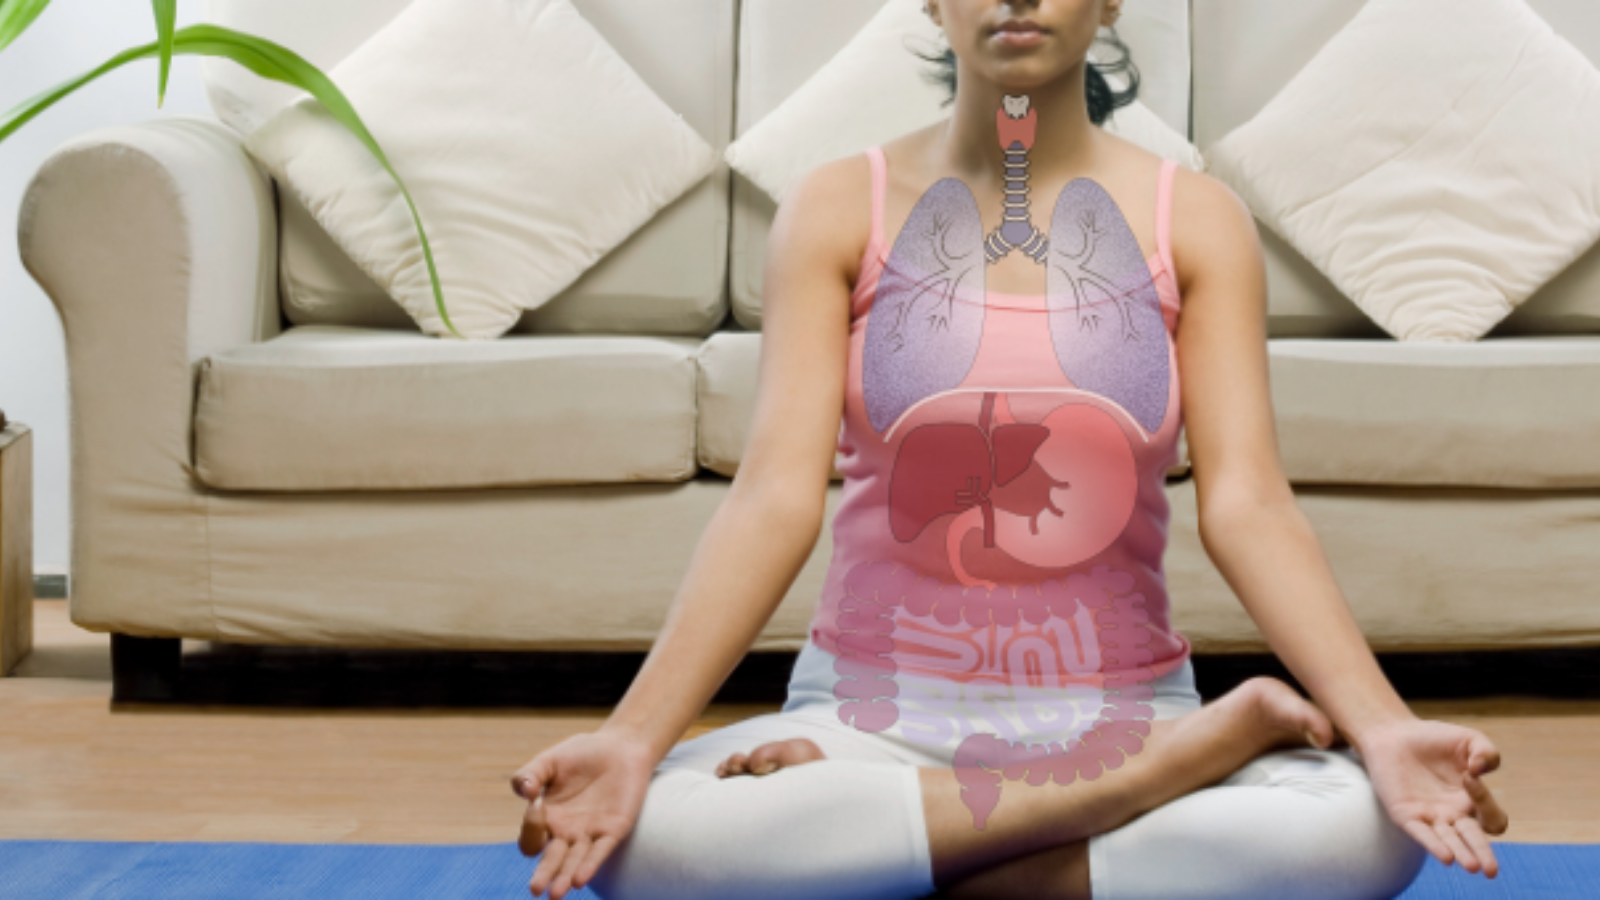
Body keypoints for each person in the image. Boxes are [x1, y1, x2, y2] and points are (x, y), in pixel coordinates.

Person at [510, 1, 1510, 898]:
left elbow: (1248, 504)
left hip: (1121, 709)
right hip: (870, 724)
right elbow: (771, 496)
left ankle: (916, 852)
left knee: (1365, 832)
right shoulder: (833, 206)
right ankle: (1134, 799)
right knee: (648, 841)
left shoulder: (1196, 220)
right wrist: (630, 739)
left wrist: (1383, 729)